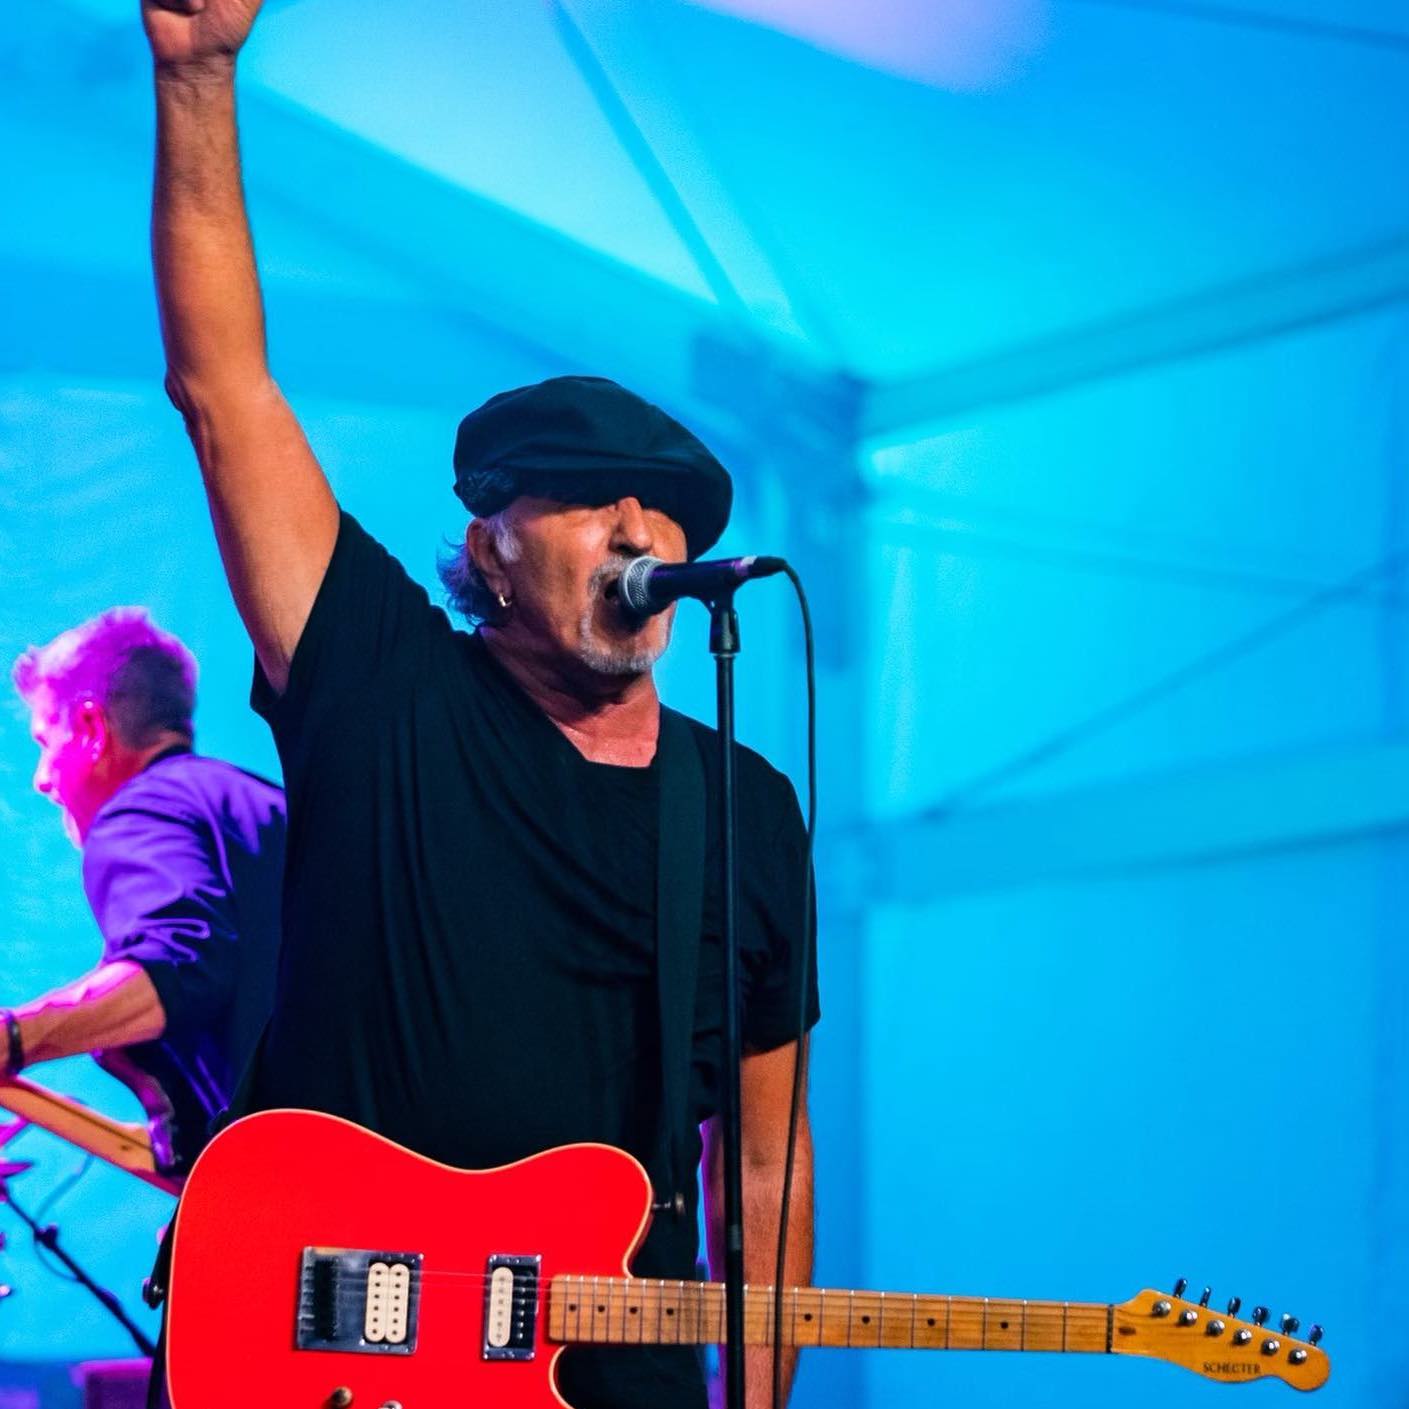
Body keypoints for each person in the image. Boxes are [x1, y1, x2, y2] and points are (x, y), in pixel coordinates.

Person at [141, 4, 818, 1407]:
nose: (637, 528)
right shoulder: (383, 681)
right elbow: (224, 393)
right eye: (586, 499)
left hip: (614, 1366)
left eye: (666, 511)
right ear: (491, 547)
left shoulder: (742, 809)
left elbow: (762, 1161)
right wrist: (197, 78)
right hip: (339, 1363)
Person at [2, 608, 285, 1178]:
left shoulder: (139, 810)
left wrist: (14, 1039)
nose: (41, 778)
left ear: (90, 728)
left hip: (315, 1179)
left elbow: (178, 968)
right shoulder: (264, 807)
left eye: (45, 741)